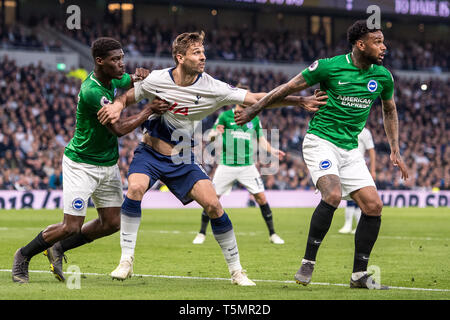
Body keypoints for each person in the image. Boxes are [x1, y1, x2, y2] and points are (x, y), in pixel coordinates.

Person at [97, 31, 326, 286]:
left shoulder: (213, 87)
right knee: (136, 188)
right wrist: (117, 106)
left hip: (182, 158)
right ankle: (126, 260)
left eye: (203, 51)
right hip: (149, 152)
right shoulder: (158, 79)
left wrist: (298, 101)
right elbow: (129, 95)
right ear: (180, 57)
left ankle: (237, 271)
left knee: (214, 206)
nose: (203, 56)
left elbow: (256, 98)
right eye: (197, 52)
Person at [235, 20, 409, 289]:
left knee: (374, 206)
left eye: (383, 41)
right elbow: (287, 88)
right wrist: (253, 110)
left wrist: (395, 148)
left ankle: (359, 276)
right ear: (360, 44)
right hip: (321, 141)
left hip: (350, 149)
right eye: (377, 41)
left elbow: (389, 111)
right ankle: (308, 262)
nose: (383, 46)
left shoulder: (383, 77)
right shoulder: (328, 66)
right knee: (333, 195)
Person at [12, 37, 169, 283]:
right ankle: (23, 255)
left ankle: (58, 248)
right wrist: (148, 110)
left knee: (112, 223)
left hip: (108, 164)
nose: (121, 64)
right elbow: (117, 129)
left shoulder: (112, 78)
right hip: (81, 164)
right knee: (70, 226)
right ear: (99, 61)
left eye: (122, 58)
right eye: (115, 60)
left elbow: (128, 80)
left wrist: (140, 77)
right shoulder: (92, 91)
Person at [192, 84, 286, 245]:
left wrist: (273, 151)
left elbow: (261, 140)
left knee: (261, 198)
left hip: (247, 166)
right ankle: (201, 233)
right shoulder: (225, 116)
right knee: (211, 200)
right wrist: (216, 133)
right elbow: (212, 136)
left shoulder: (254, 118)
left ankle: (272, 234)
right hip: (226, 165)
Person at [339, 127, 376, 234]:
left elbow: (371, 151)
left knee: (359, 197)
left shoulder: (365, 132)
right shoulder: (346, 127)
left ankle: (359, 225)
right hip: (344, 165)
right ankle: (348, 224)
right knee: (349, 197)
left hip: (357, 166)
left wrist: (373, 170)